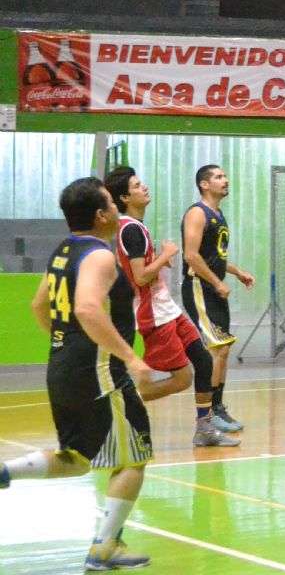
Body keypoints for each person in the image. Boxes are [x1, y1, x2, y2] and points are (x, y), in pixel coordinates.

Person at [1, 177, 157, 570]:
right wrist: (132, 359)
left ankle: (4, 471)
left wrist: (66, 343)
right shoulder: (100, 255)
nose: (117, 209)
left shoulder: (63, 251)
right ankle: (105, 548)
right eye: (111, 203)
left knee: (80, 456)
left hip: (63, 364)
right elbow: (88, 309)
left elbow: (40, 305)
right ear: (102, 214)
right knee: (132, 459)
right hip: (100, 369)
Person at [105, 166, 238, 448]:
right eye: (138, 185)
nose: (145, 188)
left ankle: (204, 428)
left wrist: (159, 260)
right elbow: (140, 277)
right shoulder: (130, 229)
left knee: (203, 362)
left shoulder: (136, 227)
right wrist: (165, 254)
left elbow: (140, 271)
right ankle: (121, 408)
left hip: (167, 308)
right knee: (182, 378)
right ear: (125, 197)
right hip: (153, 313)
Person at [181, 164, 254, 433]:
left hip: (213, 287)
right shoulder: (197, 214)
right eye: (219, 177)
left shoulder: (218, 214)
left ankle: (217, 407)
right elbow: (191, 255)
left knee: (222, 349)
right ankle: (208, 415)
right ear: (204, 184)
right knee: (217, 349)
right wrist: (215, 282)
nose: (226, 180)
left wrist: (236, 272)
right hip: (199, 288)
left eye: (225, 176)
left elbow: (215, 256)